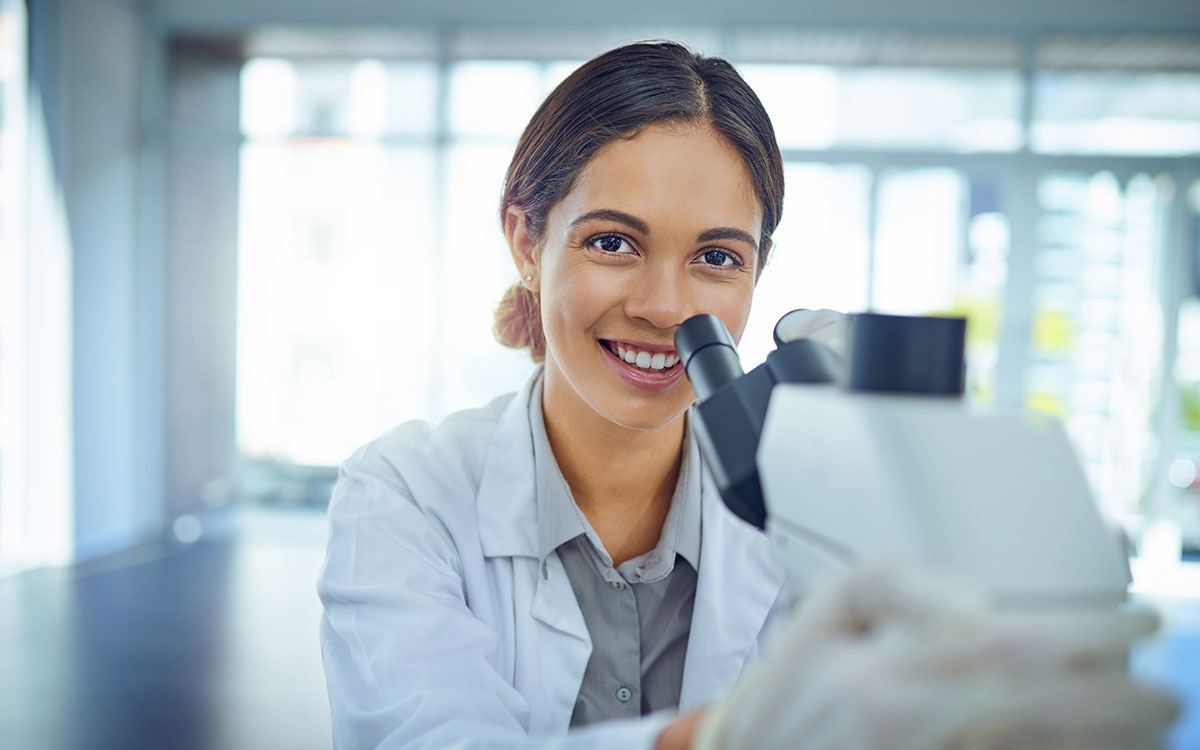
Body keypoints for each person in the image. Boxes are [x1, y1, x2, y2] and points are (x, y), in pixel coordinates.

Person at [318, 41, 1178, 749]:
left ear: (760, 271)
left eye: (717, 257)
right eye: (614, 241)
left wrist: (963, 512)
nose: (664, 306)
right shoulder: (404, 494)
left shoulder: (811, 504)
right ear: (525, 238)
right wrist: (732, 736)